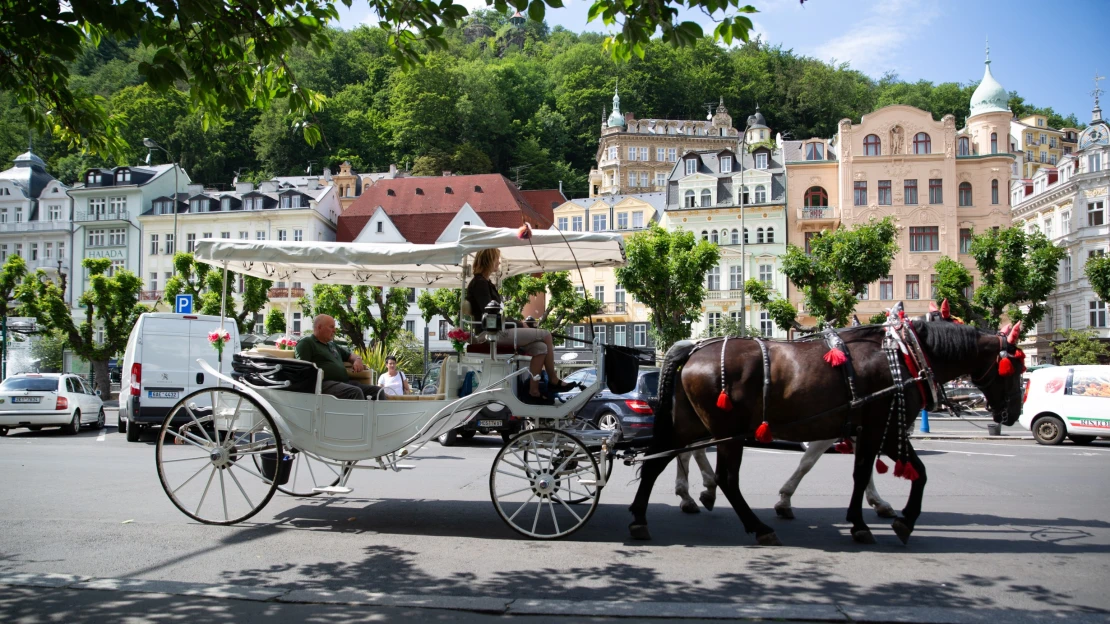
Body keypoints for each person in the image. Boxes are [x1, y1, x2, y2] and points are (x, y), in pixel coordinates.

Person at [467, 248, 577, 397]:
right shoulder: (479, 283)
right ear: (488, 260)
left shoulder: (486, 283)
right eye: (496, 259)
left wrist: (518, 323)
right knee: (546, 335)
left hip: (497, 331)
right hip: (489, 334)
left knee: (541, 347)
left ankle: (534, 391)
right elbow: (492, 314)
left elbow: (497, 314)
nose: (498, 262)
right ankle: (553, 379)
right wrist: (520, 324)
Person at [294, 314, 383, 400]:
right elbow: (303, 370)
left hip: (343, 383)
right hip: (322, 384)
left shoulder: (332, 345)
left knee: (378, 391)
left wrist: (358, 359)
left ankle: (381, 415)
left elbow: (350, 355)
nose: (334, 330)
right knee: (355, 392)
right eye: (331, 327)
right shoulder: (307, 343)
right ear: (319, 327)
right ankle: (360, 415)